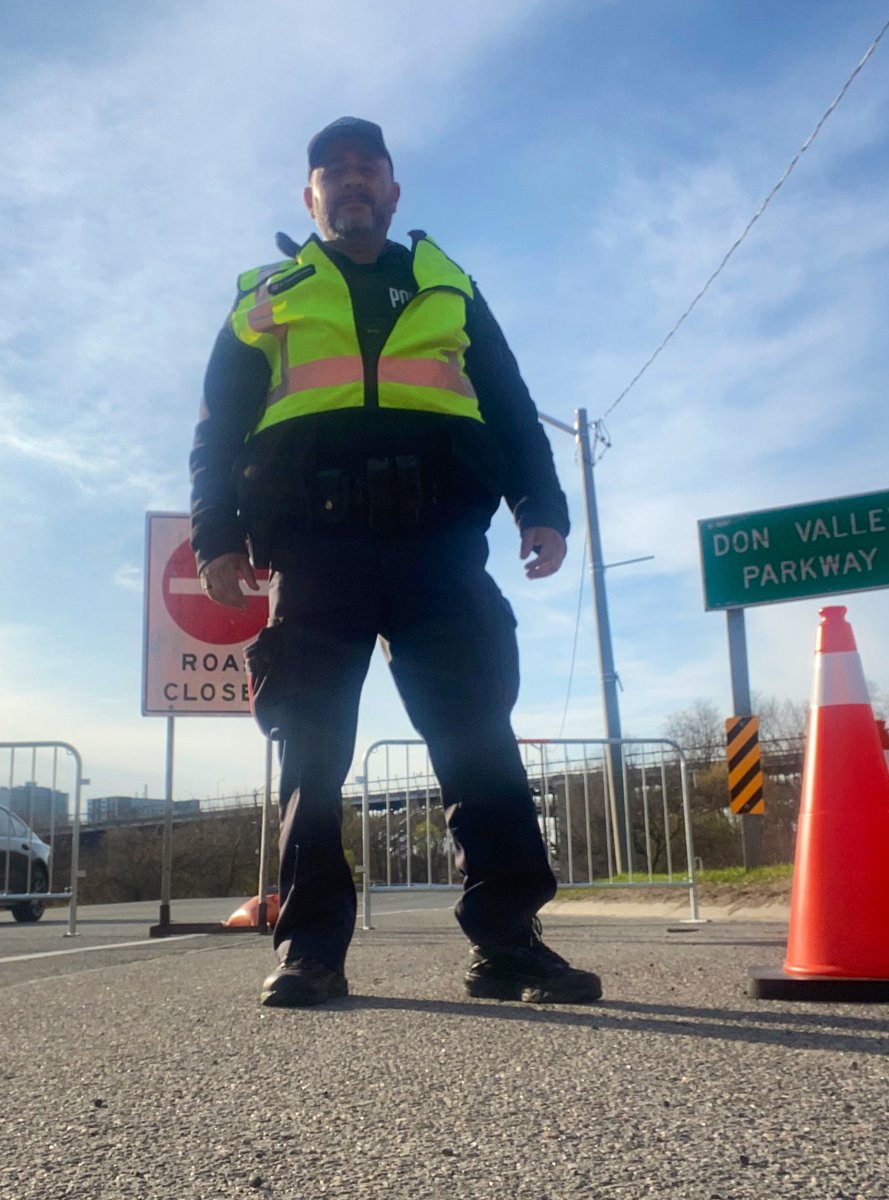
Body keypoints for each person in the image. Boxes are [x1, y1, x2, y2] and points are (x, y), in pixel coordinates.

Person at [190, 116, 602, 1009]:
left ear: (392, 188)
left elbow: (508, 402)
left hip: (440, 547)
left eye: (366, 168)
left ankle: (507, 943)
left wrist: (544, 508)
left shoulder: (449, 285)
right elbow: (218, 426)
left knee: (478, 744)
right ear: (309, 196)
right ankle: (310, 950)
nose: (350, 182)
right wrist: (216, 535)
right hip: (315, 548)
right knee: (311, 755)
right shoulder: (267, 293)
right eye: (330, 172)